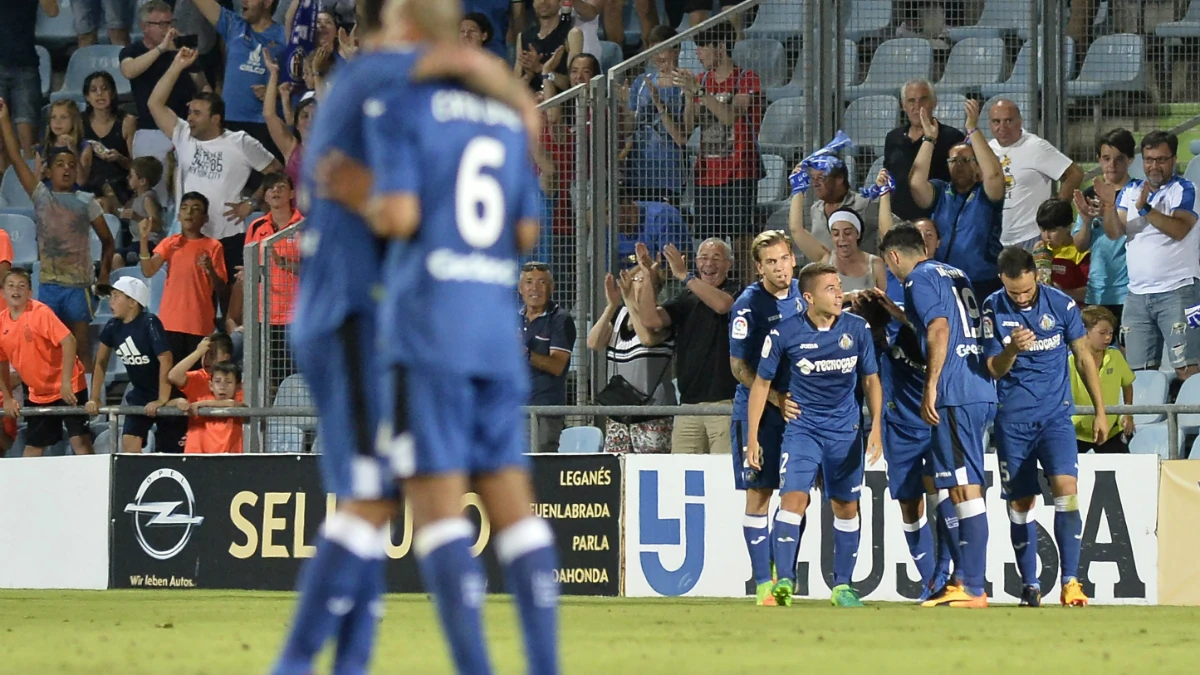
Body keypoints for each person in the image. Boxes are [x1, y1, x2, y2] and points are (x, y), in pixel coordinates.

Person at [273, 0, 541, 671]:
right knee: (373, 492)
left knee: (381, 492)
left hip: (366, 309)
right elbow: (511, 109)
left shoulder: (385, 89)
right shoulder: (386, 78)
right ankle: (300, 661)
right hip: (357, 312)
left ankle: (348, 659)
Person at [363, 27, 558, 675]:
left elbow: (396, 214)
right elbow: (527, 227)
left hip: (432, 326)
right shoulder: (504, 127)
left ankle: (475, 665)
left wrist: (354, 197)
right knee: (512, 499)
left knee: (439, 505)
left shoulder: (404, 109)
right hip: (496, 326)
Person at [746, 262, 883, 608]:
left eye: (839, 287)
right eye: (830, 289)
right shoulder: (785, 333)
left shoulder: (857, 328)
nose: (839, 294)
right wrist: (752, 437)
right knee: (794, 499)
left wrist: (877, 426)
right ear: (808, 297)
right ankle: (786, 581)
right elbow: (761, 384)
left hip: (845, 432)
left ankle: (843, 587)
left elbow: (871, 380)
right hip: (803, 430)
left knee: (846, 506)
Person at [981, 246, 1106, 608]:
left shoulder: (1061, 305)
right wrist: (1011, 351)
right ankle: (1030, 585)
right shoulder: (993, 308)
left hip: (1055, 418)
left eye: (1025, 290)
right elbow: (993, 369)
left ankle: (1071, 582)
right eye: (1013, 291)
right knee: (1021, 502)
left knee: (1067, 489)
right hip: (1012, 421)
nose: (1020, 298)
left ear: (1035, 275)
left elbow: (1083, 356)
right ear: (1002, 281)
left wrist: (1100, 411)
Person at [878, 225, 996, 608]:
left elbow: (940, 327)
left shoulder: (917, 279)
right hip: (979, 386)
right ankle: (962, 581)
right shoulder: (952, 273)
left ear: (894, 257)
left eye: (888, 263)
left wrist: (932, 384)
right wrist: (894, 313)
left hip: (956, 392)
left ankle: (973, 588)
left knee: (964, 489)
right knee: (960, 486)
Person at [851, 289, 960, 601]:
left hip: (936, 424)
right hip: (900, 430)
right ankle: (932, 584)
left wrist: (900, 317)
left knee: (944, 495)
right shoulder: (866, 342)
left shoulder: (924, 335)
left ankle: (950, 574)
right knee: (910, 505)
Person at [0, 101, 115, 377]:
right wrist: (5, 117)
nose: (66, 169)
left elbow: (109, 242)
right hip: (49, 286)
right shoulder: (41, 197)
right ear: (48, 171)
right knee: (43, 346)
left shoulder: (86, 201)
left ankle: (86, 405)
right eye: (60, 164)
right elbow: (16, 157)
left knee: (81, 349)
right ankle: (44, 397)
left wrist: (103, 277)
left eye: (71, 165)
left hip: (78, 287)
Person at [147, 47, 284, 276]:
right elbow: (155, 103)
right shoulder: (183, 134)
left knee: (231, 300)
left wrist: (251, 203)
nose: (190, 118)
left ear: (215, 118)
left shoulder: (240, 141)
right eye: (190, 112)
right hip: (190, 236)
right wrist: (177, 65)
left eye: (197, 113)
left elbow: (276, 171)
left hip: (228, 236)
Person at [727, 229, 804, 606]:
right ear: (759, 268)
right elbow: (738, 367)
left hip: (800, 411)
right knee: (759, 493)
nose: (779, 268)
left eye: (783, 259)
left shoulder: (806, 297)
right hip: (758, 411)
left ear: (792, 258)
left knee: (796, 495)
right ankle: (762, 582)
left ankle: (784, 575)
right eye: (770, 262)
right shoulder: (748, 305)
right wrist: (774, 397)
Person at [1096, 130, 1200, 381]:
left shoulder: (1186, 189)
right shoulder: (1130, 191)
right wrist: (1109, 206)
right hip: (1137, 295)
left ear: (1174, 159)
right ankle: (1144, 420)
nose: (1154, 166)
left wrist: (1145, 209)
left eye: (1161, 159)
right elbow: (1114, 232)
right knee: (1138, 373)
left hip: (1181, 290)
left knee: (1188, 368)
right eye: (1149, 159)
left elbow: (1178, 229)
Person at [634, 239, 738, 454]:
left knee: (723, 474)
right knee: (681, 473)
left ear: (729, 264)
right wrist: (646, 276)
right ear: (696, 262)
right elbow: (650, 320)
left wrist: (684, 276)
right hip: (688, 404)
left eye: (716, 258)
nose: (709, 263)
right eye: (704, 258)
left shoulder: (737, 291)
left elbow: (722, 305)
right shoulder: (686, 298)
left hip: (725, 404)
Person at [909, 99, 1005, 299]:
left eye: (966, 160)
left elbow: (995, 174)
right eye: (953, 160)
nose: (958, 165)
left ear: (978, 166)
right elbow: (916, 183)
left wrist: (972, 129)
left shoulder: (987, 195)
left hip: (983, 283)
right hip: (944, 281)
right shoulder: (940, 191)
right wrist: (929, 139)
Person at [681, 21, 763, 253]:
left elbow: (730, 117)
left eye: (703, 47)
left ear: (721, 46)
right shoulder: (702, 81)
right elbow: (688, 128)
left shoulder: (747, 79)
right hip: (706, 172)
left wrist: (699, 92)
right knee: (709, 244)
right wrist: (689, 97)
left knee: (741, 239)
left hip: (739, 170)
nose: (698, 53)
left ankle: (746, 287)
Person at [86, 277, 185, 454]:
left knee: (171, 451)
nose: (111, 300)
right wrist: (94, 397)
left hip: (167, 394)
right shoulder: (112, 326)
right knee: (129, 444)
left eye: (116, 296)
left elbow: (166, 358)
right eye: (111, 296)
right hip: (140, 394)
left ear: (132, 302)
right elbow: (100, 362)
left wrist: (162, 399)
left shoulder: (149, 322)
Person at [0, 269, 91, 457]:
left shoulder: (40, 313)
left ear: (30, 293)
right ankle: (25, 487)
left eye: (21, 286)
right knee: (33, 448)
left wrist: (66, 382)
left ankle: (99, 484)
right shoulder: (1, 323)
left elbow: (69, 341)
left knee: (80, 441)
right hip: (39, 394)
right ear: (3, 292)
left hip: (69, 386)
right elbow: (1, 363)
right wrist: (8, 398)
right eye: (11, 286)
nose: (16, 290)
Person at [588, 265, 677, 454]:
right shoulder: (619, 315)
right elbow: (593, 343)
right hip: (619, 413)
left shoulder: (663, 315)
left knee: (650, 471)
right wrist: (611, 306)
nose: (636, 284)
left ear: (656, 288)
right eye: (635, 279)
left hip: (653, 414)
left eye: (643, 279)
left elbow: (647, 339)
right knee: (616, 471)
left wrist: (629, 300)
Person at [187, 0, 288, 157]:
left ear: (267, 2)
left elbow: (300, 82)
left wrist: (276, 91)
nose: (243, 1)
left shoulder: (285, 36)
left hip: (265, 125)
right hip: (229, 122)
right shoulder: (234, 26)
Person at [139, 192, 228, 363]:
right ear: (178, 215)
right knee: (171, 376)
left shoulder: (214, 246)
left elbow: (222, 288)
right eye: (185, 208)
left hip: (199, 323)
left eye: (196, 209)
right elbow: (148, 270)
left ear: (205, 218)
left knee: (195, 377)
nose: (189, 213)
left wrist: (210, 268)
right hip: (170, 322)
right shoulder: (170, 243)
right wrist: (144, 241)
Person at [987, 99, 1084, 249]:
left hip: (1031, 238)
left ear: (1020, 121)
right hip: (995, 239)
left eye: (1008, 121)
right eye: (996, 122)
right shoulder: (987, 150)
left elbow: (1074, 174)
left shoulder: (1036, 147)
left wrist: (1056, 214)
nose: (1002, 127)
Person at [241, 173, 302, 393]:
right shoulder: (257, 227)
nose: (275, 191)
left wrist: (286, 264)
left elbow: (316, 270)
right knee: (269, 380)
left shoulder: (304, 226)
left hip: (296, 315)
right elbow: (250, 269)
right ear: (265, 196)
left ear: (292, 193)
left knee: (297, 380)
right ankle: (270, 426)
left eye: (281, 186)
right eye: (270, 188)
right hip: (265, 315)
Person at [1071, 128, 1134, 335]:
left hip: (1130, 292)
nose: (1112, 165)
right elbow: (1080, 244)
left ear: (1130, 160)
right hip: (1096, 292)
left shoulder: (1138, 193)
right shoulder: (1090, 195)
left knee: (1128, 357)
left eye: (1119, 159)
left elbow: (1119, 232)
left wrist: (1109, 211)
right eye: (1106, 158)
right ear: (1099, 159)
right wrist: (1087, 221)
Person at [884, 79, 966, 221]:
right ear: (903, 106)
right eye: (911, 101)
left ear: (934, 103)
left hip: (937, 223)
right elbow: (888, 179)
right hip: (900, 222)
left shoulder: (952, 138)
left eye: (923, 100)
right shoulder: (893, 138)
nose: (917, 107)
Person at [624, 25, 687, 205]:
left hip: (670, 172)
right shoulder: (641, 82)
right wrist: (622, 104)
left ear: (675, 50)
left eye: (662, 50)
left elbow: (683, 136)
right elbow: (630, 126)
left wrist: (659, 104)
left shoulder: (685, 84)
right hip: (638, 169)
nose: (657, 56)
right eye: (653, 50)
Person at [519, 261, 576, 454]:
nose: (534, 288)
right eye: (529, 282)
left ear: (551, 288)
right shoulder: (512, 318)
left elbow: (557, 366)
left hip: (543, 413)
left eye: (541, 282)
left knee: (540, 470)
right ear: (520, 288)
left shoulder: (560, 319)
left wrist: (525, 354)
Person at [790, 193, 887, 293]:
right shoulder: (826, 260)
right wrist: (798, 191)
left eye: (847, 233)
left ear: (857, 234)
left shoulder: (875, 264)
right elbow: (796, 230)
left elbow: (885, 302)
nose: (842, 238)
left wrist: (885, 194)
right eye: (836, 234)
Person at [1071, 305, 1135, 454]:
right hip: (1075, 431)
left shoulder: (1116, 356)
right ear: (1085, 332)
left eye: (1111, 333)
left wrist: (1128, 413)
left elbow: (1127, 385)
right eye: (1102, 333)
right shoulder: (1068, 360)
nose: (1108, 337)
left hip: (1110, 430)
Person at [1, 0, 58, 160]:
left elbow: (52, 11)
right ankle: (5, 183)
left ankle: (30, 182)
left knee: (29, 141)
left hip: (25, 67)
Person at [798, 157, 881, 257]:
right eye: (813, 178)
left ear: (839, 178)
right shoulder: (815, 209)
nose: (815, 183)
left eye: (821, 178)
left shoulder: (864, 204)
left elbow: (894, 231)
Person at [263, 50, 315, 189]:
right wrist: (274, 74)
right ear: (296, 123)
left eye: (316, 116)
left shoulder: (334, 150)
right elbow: (269, 115)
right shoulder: (291, 148)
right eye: (304, 116)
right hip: (295, 211)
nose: (310, 120)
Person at [81, 71, 137, 197]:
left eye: (104, 88)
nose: (100, 94)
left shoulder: (127, 121)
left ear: (112, 93)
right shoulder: (79, 122)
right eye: (94, 90)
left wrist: (120, 158)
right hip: (88, 187)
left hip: (120, 185)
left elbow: (135, 166)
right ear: (87, 97)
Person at [169, 361, 244, 454]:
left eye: (228, 382)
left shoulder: (241, 398)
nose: (222, 387)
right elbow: (168, 404)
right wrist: (178, 401)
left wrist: (202, 404)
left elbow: (233, 404)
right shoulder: (201, 398)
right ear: (211, 385)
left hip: (231, 458)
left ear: (238, 387)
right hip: (200, 458)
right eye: (217, 381)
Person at [515, 0, 582, 92]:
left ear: (561, 2)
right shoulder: (523, 37)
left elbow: (571, 84)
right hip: (531, 101)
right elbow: (514, 87)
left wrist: (540, 69)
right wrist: (529, 76)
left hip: (560, 102)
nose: (543, 1)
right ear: (533, 4)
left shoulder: (572, 34)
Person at [113, 157, 165, 269]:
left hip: (150, 244)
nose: (128, 178)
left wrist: (137, 217)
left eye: (131, 176)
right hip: (137, 242)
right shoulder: (136, 198)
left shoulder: (148, 199)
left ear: (142, 181)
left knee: (117, 258)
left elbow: (157, 225)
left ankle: (124, 285)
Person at [1034, 198, 1089, 303]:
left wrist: (1062, 292)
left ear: (1069, 227)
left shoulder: (1080, 252)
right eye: (1042, 230)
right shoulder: (1041, 250)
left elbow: (1090, 292)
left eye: (1052, 230)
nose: (1047, 236)